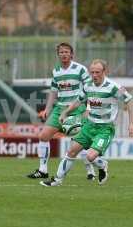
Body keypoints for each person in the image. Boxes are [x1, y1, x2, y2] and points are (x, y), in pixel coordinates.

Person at [40, 59, 133, 186]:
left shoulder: (113, 87)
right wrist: (65, 112)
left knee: (90, 157)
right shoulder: (88, 85)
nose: (95, 75)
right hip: (89, 125)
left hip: (105, 128)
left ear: (105, 71)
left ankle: (102, 165)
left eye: (98, 72)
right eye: (92, 72)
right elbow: (78, 101)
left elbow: (129, 100)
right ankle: (57, 180)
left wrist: (132, 123)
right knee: (71, 151)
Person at [26, 42, 96, 180]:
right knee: (43, 136)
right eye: (61, 52)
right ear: (58, 55)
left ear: (72, 54)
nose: (64, 54)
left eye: (66, 52)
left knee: (79, 141)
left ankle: (90, 170)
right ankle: (43, 170)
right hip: (60, 109)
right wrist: (47, 109)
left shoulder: (80, 69)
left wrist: (88, 109)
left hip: (76, 109)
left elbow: (90, 89)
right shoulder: (56, 71)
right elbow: (53, 91)